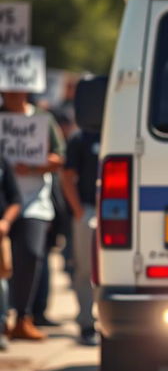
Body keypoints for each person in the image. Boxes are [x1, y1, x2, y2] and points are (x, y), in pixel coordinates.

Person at [1, 91, 65, 341]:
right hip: (3, 201)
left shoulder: (43, 119)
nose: (11, 96)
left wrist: (33, 167)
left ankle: (23, 317)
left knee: (30, 253)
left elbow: (59, 158)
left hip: (34, 203)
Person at [60, 127, 100, 345]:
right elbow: (67, 176)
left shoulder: (126, 128)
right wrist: (79, 212)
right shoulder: (80, 138)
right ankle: (86, 323)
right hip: (88, 210)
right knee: (85, 270)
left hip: (125, 210)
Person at [0, 156, 22, 351]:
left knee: (1, 283)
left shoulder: (3, 162)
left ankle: (1, 327)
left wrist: (5, 222)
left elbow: (15, 200)